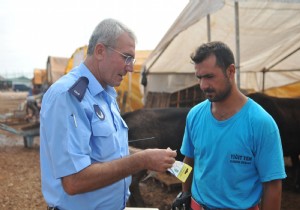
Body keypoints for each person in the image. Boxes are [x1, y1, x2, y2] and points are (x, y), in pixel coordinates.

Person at [40, 18, 177, 210]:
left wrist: (146, 154)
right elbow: (74, 181)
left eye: (132, 60)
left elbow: (107, 152)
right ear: (100, 51)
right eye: (126, 57)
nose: (130, 67)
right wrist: (141, 160)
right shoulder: (68, 96)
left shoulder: (105, 95)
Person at [171, 41, 286, 210]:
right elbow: (188, 162)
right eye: (199, 78)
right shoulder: (195, 115)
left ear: (230, 71)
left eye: (209, 77)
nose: (203, 85)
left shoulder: (261, 123)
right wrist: (185, 194)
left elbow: (273, 185)